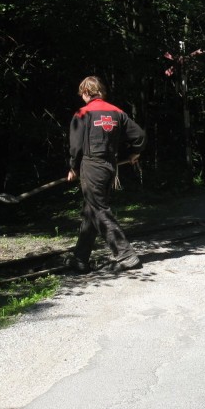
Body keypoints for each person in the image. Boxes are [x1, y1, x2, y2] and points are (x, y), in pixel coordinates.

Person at [65, 76, 146, 273]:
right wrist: (135, 152)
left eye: (82, 94)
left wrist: (73, 167)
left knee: (98, 209)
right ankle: (80, 259)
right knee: (91, 211)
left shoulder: (83, 113)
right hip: (110, 167)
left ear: (85, 92)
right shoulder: (117, 112)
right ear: (101, 91)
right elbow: (139, 136)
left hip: (92, 166)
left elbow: (75, 147)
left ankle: (126, 256)